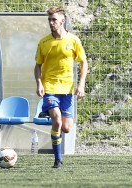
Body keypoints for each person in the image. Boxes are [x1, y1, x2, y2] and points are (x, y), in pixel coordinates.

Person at [34, 6, 88, 168]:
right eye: (49, 20)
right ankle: (58, 160)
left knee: (66, 128)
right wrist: (39, 83)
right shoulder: (44, 42)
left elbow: (83, 62)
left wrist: (81, 84)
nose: (51, 23)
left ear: (62, 21)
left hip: (67, 90)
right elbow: (37, 66)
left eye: (54, 20)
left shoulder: (73, 40)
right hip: (50, 87)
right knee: (57, 120)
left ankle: (53, 116)